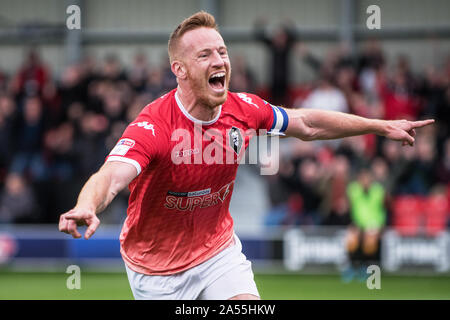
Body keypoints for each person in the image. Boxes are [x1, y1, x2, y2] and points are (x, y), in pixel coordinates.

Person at [58, 11, 434, 300]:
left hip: (217, 252)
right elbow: (111, 176)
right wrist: (88, 204)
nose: (220, 60)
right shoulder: (153, 126)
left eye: (222, 51)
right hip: (157, 271)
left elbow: (307, 124)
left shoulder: (246, 108)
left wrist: (378, 125)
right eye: (205, 54)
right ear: (180, 70)